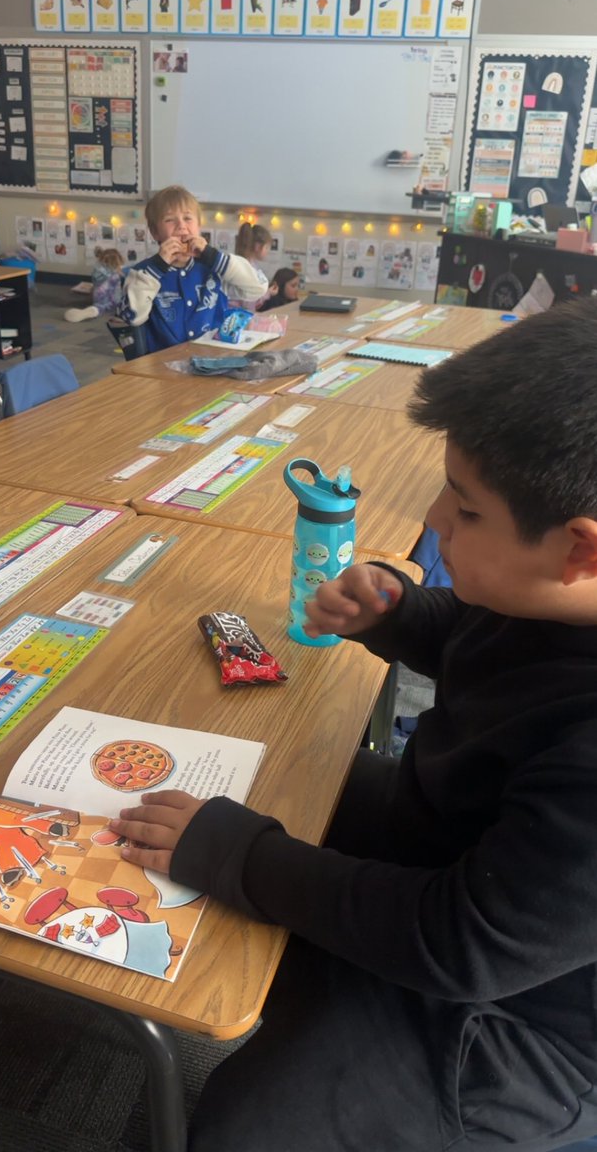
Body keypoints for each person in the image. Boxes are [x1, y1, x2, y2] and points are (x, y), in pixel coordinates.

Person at [110, 297, 597, 1151]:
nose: (435, 523)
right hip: (460, 858)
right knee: (275, 770)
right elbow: (485, 641)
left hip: (523, 1022)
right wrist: (398, 613)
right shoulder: (553, 598)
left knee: (245, 1133)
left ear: (580, 550)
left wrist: (242, 857)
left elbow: (462, 945)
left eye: (465, 511)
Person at [120, 186, 266, 354]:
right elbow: (132, 316)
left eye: (188, 218)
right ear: (155, 232)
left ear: (199, 226)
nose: (181, 226)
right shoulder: (143, 274)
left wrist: (214, 257)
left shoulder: (215, 267)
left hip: (213, 360)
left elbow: (258, 289)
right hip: (163, 364)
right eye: (169, 220)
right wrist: (158, 266)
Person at [64, 247, 124, 323]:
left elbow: (97, 284)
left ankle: (94, 309)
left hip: (98, 298)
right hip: (114, 301)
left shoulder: (98, 269)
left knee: (100, 305)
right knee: (117, 304)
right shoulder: (114, 274)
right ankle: (94, 311)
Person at [225, 221, 273, 310]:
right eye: (267, 248)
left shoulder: (239, 263)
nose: (268, 252)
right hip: (236, 315)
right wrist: (267, 294)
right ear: (258, 247)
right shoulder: (248, 269)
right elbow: (248, 302)